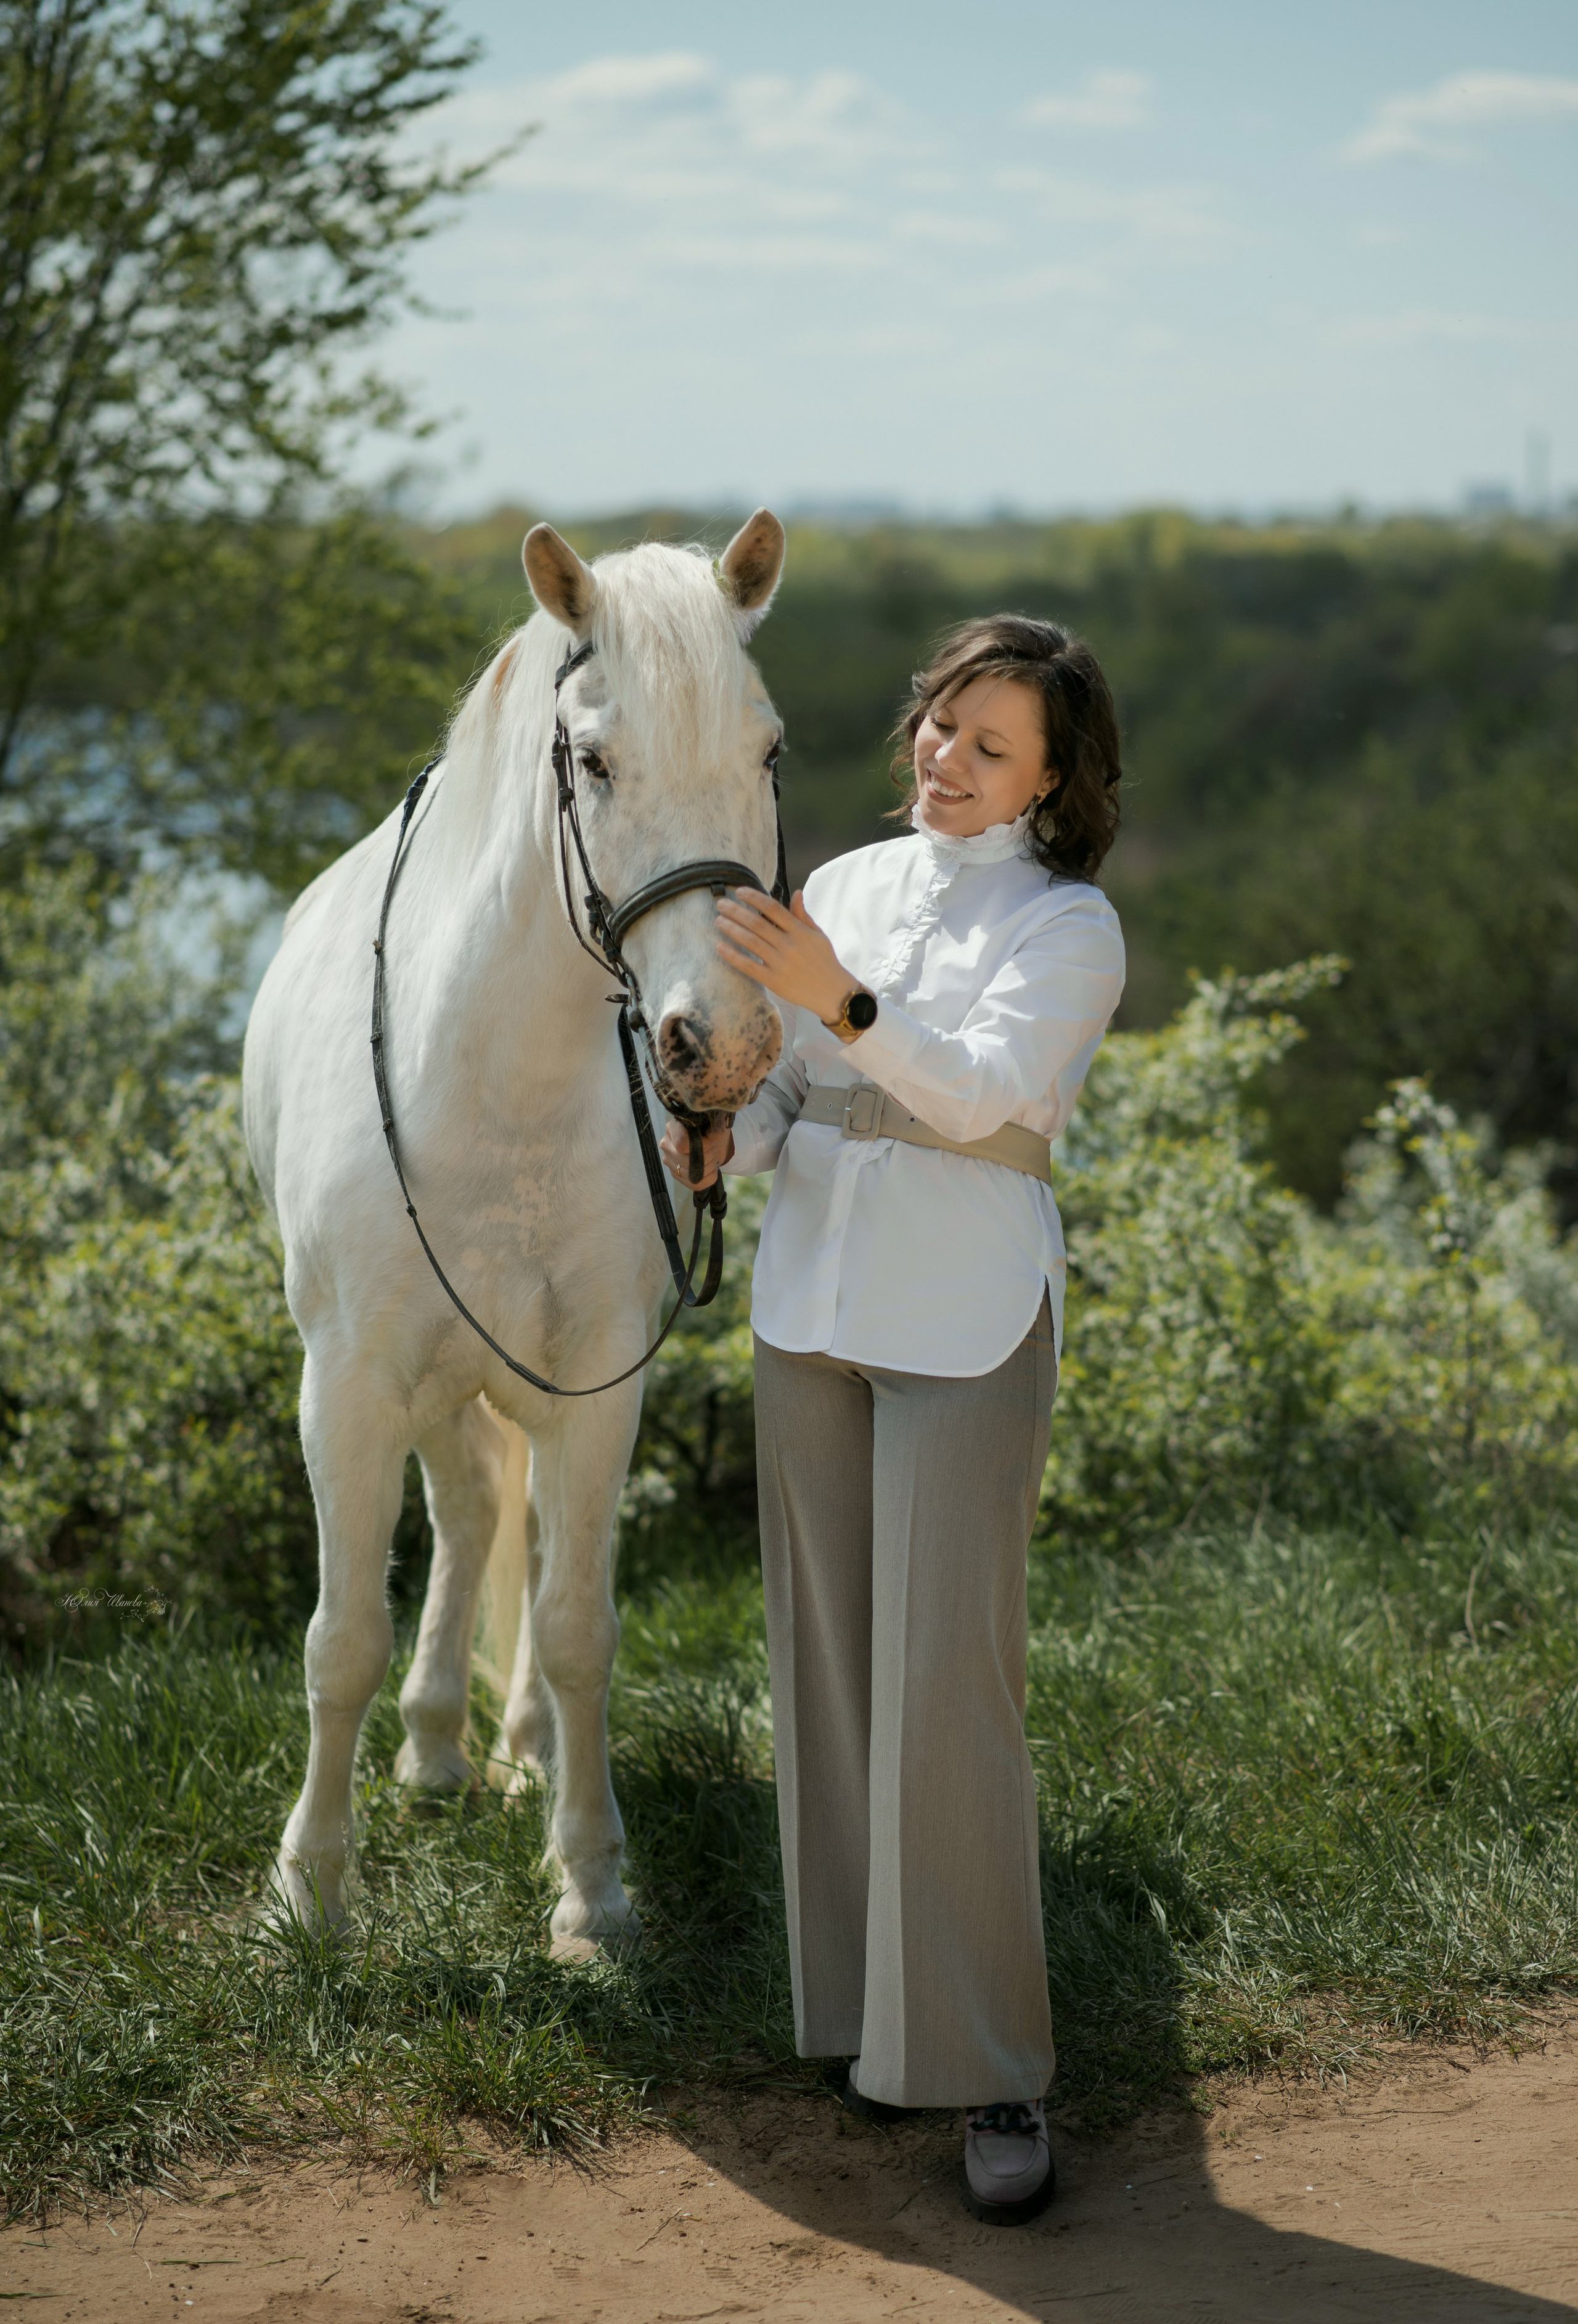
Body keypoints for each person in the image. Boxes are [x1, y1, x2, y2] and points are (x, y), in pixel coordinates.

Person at [660, 613, 1125, 2225]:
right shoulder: (843, 893)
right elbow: (794, 1089)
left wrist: (832, 997)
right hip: (811, 1321)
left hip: (966, 1326)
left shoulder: (1073, 927)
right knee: (837, 1679)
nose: (948, 758)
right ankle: (866, 2021)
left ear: (1054, 780)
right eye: (941, 724)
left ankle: (993, 2059)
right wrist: (735, 1138)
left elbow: (980, 1093)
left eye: (992, 745)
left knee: (950, 1689)